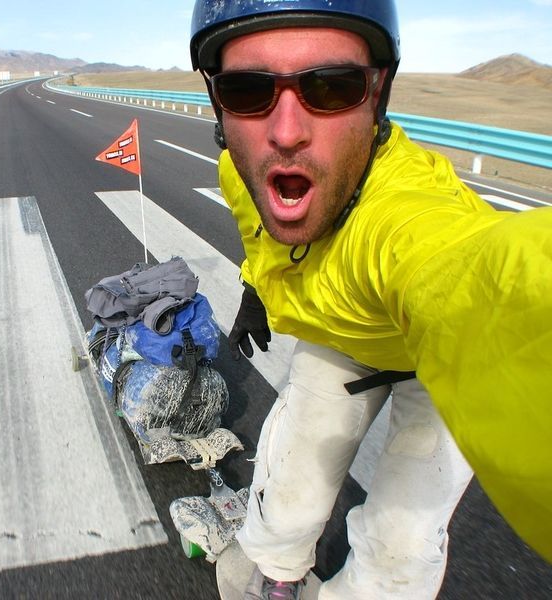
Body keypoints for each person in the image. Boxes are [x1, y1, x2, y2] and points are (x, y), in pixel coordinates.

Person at [189, 0, 552, 597]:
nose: (284, 134)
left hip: (434, 366)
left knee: (399, 552)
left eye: (331, 87)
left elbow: (484, 281)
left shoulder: (402, 217)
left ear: (378, 94)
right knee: (288, 494)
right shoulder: (238, 168)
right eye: (248, 90)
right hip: (343, 339)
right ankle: (274, 583)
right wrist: (255, 288)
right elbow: (256, 230)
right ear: (219, 105)